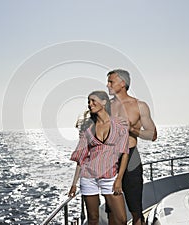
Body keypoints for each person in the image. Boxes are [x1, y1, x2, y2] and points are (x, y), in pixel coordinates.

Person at [68, 90, 130, 225]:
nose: (90, 104)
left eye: (93, 101)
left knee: (122, 220)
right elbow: (81, 157)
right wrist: (74, 184)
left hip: (110, 177)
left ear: (104, 102)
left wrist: (119, 179)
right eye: (88, 102)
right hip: (88, 177)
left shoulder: (120, 125)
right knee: (93, 219)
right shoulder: (88, 128)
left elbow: (125, 153)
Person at [106, 69, 157, 225]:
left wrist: (131, 129)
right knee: (111, 211)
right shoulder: (105, 106)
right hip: (110, 157)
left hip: (132, 158)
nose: (107, 85)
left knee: (135, 210)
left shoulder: (139, 105)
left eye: (111, 82)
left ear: (122, 83)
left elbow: (152, 135)